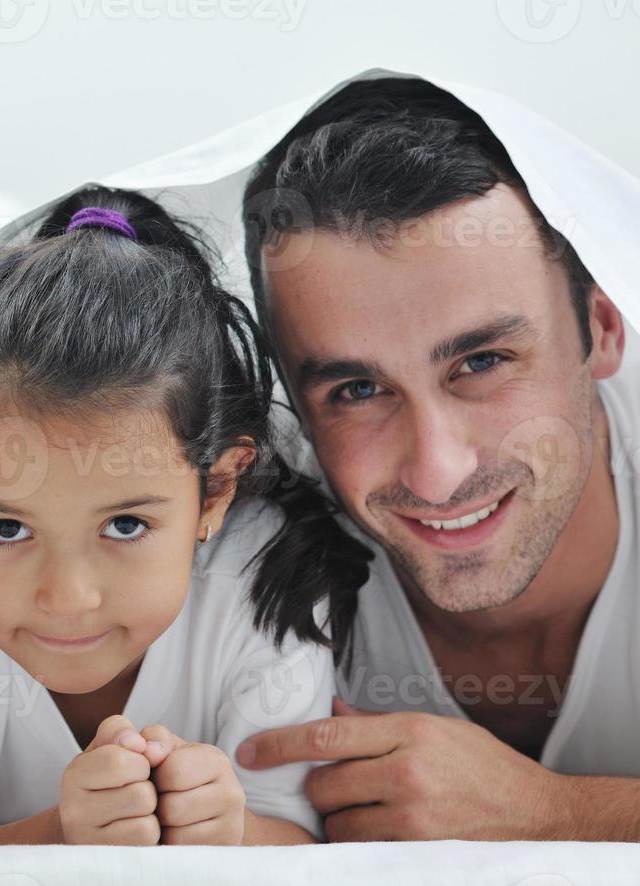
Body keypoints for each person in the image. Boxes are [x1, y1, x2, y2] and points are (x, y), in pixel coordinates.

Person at [0, 187, 369, 847]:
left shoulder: (262, 577)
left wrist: (227, 827)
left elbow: (299, 843)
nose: (68, 597)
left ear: (215, 492)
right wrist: (64, 833)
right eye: (6, 529)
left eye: (124, 526)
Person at [232, 78, 640, 842]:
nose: (437, 473)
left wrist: (554, 812)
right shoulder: (234, 534)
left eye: (482, 363)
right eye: (357, 390)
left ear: (602, 328)